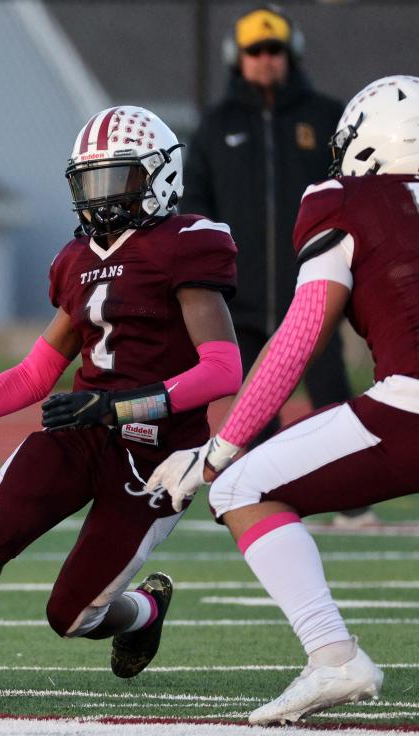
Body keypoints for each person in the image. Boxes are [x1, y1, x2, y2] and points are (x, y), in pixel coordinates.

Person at [0, 106, 243, 688]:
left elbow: (223, 370)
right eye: (90, 182)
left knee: (71, 617)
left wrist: (118, 406)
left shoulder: (184, 245)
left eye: (117, 179)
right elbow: (32, 376)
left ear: (159, 177)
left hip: (157, 458)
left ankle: (144, 611)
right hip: (80, 434)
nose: (101, 197)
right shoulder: (75, 260)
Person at [148, 75, 419, 725]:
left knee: (239, 489)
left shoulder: (345, 197)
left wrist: (219, 450)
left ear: (370, 146)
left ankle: (332, 655)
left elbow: (302, 332)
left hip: (411, 404)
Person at [183, 7, 372, 526]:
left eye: (275, 51)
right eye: (255, 52)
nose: (266, 61)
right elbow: (196, 208)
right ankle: (278, 497)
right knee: (256, 409)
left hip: (314, 293)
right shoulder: (214, 128)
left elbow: (353, 189)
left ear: (292, 54)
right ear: (236, 58)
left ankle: (354, 505)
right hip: (240, 300)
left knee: (333, 400)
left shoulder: (325, 116)